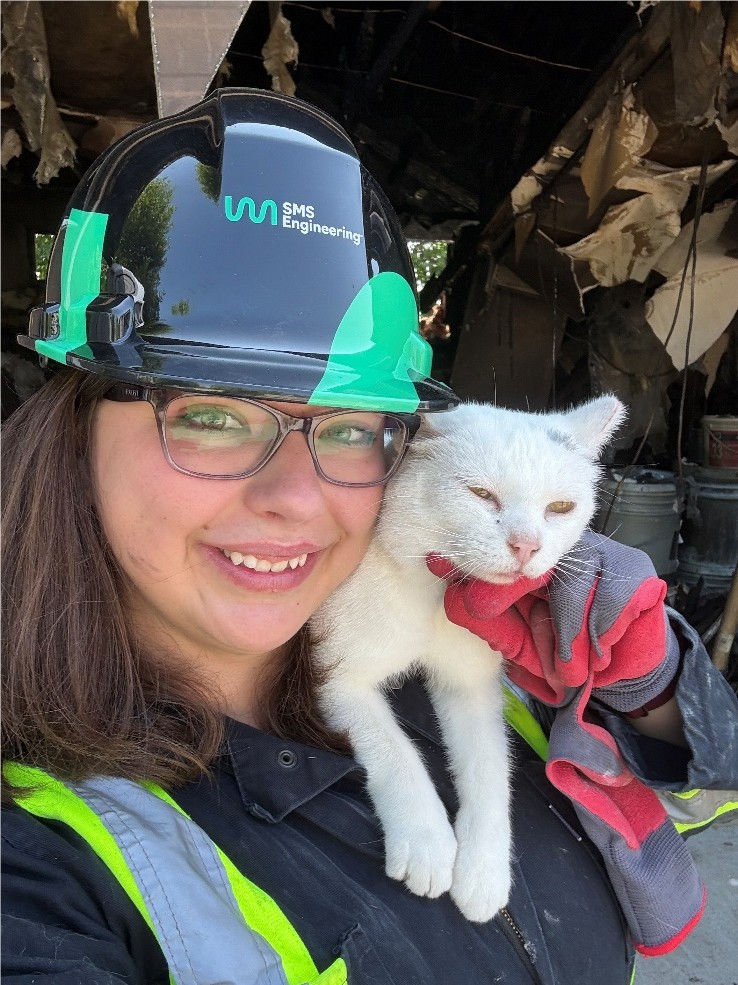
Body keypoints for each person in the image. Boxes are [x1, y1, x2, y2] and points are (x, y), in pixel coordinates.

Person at [2, 88, 737, 985]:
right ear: (73, 425)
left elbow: (709, 771)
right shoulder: (40, 862)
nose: (298, 501)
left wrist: (656, 687)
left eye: (351, 429)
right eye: (212, 416)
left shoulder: (476, 628)